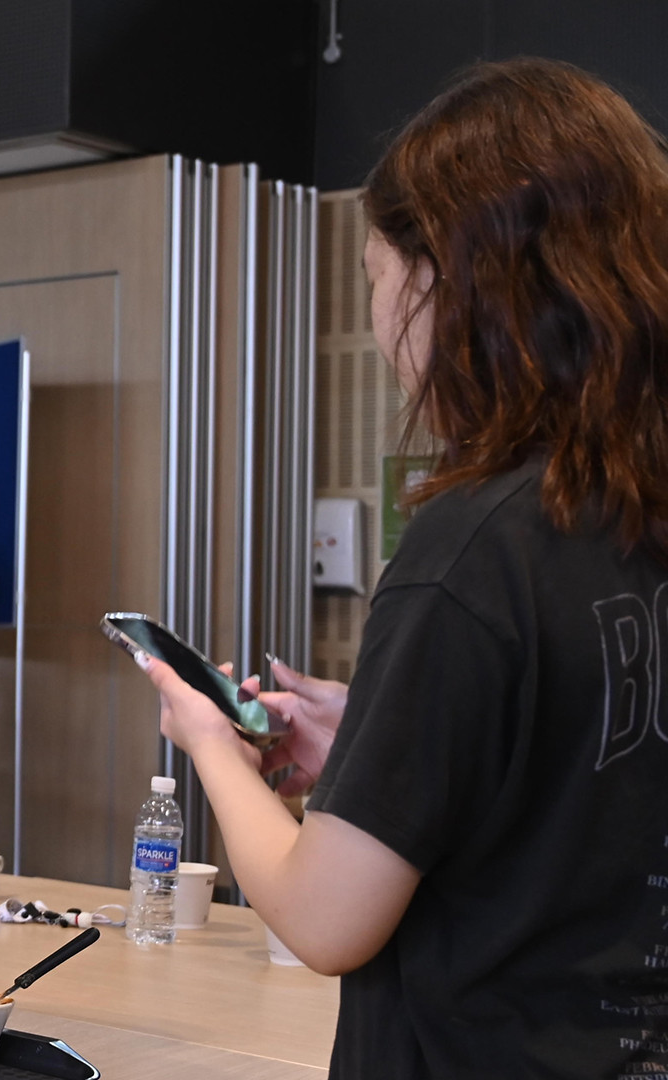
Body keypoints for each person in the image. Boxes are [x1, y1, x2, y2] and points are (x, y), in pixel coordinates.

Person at [138, 59, 668, 1078]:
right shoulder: (633, 514)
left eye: (378, 280)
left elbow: (324, 921)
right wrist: (375, 760)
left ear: (446, 281)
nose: (385, 331)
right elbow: (588, 792)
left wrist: (206, 740)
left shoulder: (474, 545)